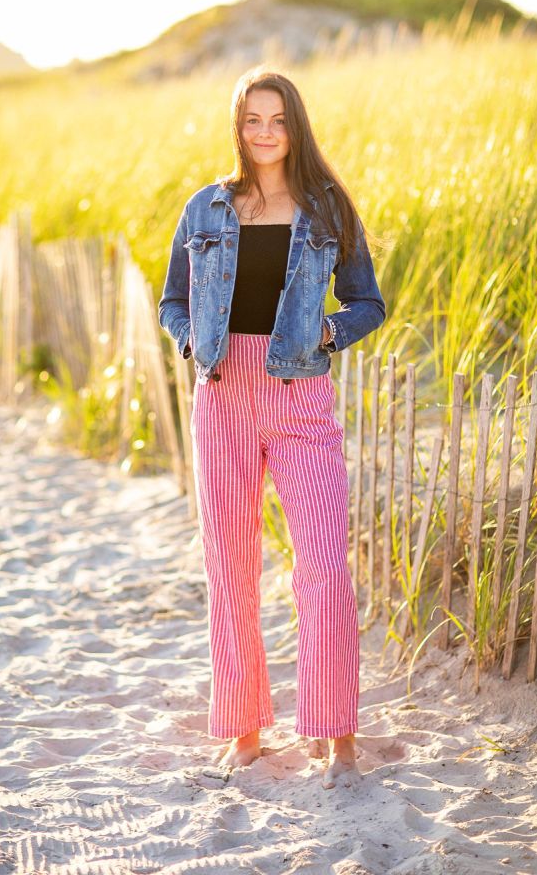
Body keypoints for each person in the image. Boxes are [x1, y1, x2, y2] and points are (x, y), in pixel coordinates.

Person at [158, 67, 386, 789]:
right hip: (221, 395)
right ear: (238, 125)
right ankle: (245, 728)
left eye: (277, 119)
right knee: (230, 567)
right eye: (252, 119)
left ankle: (334, 732)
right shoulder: (205, 208)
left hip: (298, 396)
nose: (263, 131)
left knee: (320, 565)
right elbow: (171, 300)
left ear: (295, 125)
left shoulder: (325, 209)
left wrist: (326, 331)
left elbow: (367, 302)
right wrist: (192, 341)